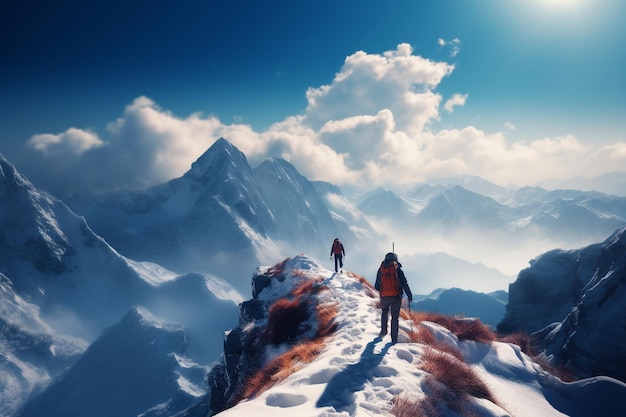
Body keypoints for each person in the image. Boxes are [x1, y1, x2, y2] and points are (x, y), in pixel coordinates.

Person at [375, 252, 412, 344]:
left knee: (384, 313)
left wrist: (384, 290)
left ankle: (383, 331)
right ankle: (394, 339)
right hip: (396, 297)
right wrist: (409, 295)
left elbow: (376, 286)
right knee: (394, 317)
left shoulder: (381, 269)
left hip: (384, 297)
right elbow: (404, 283)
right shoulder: (397, 269)